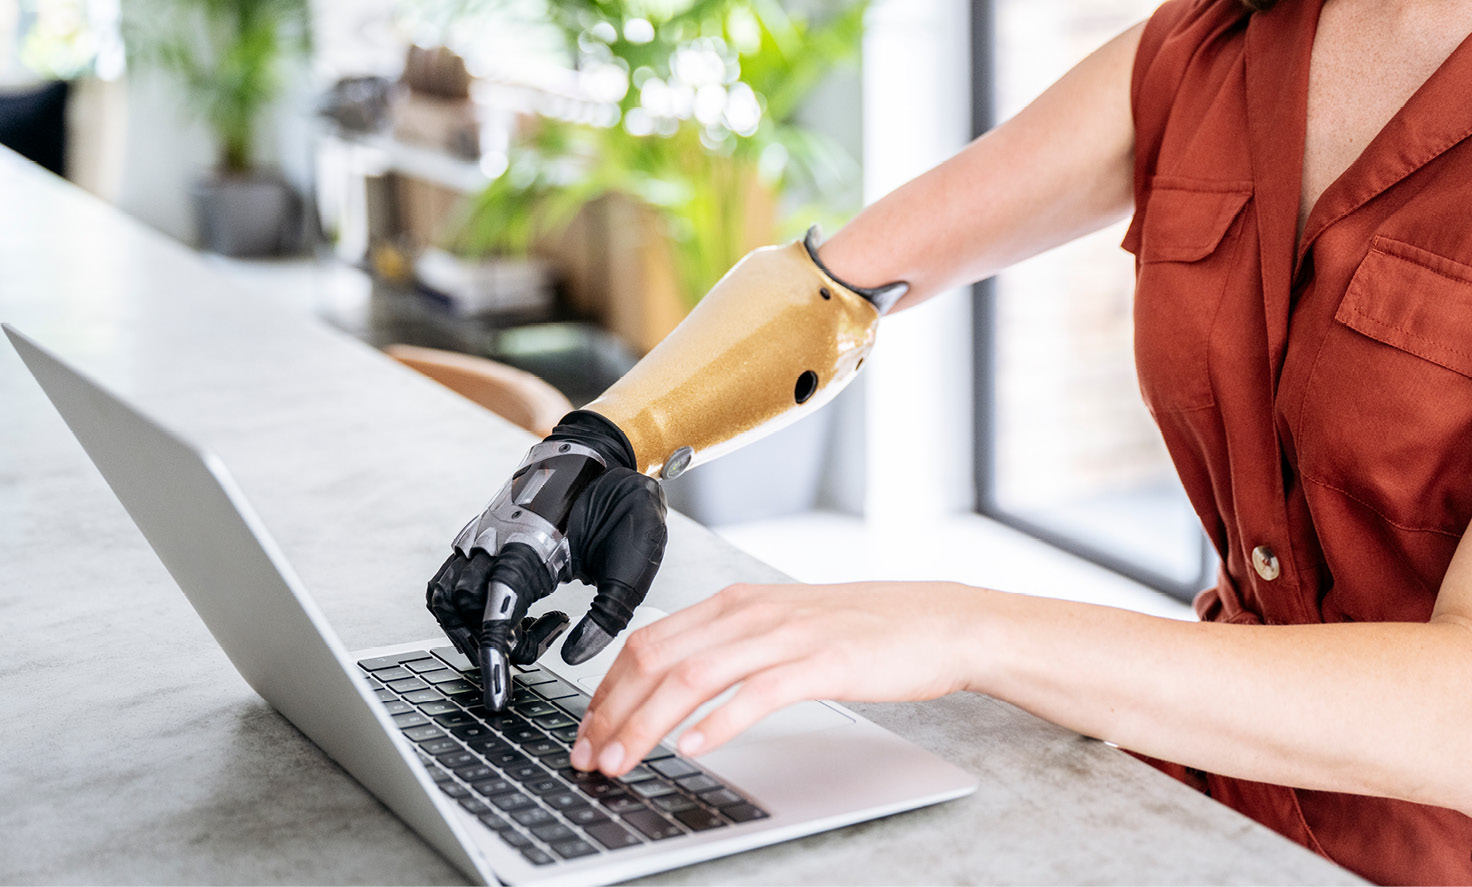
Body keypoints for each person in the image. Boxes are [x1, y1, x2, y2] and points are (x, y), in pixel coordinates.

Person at [428, 0, 1472, 882]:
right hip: (1194, 807)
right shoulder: (1211, 45)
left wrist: (965, 627)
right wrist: (599, 445)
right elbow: (837, 283)